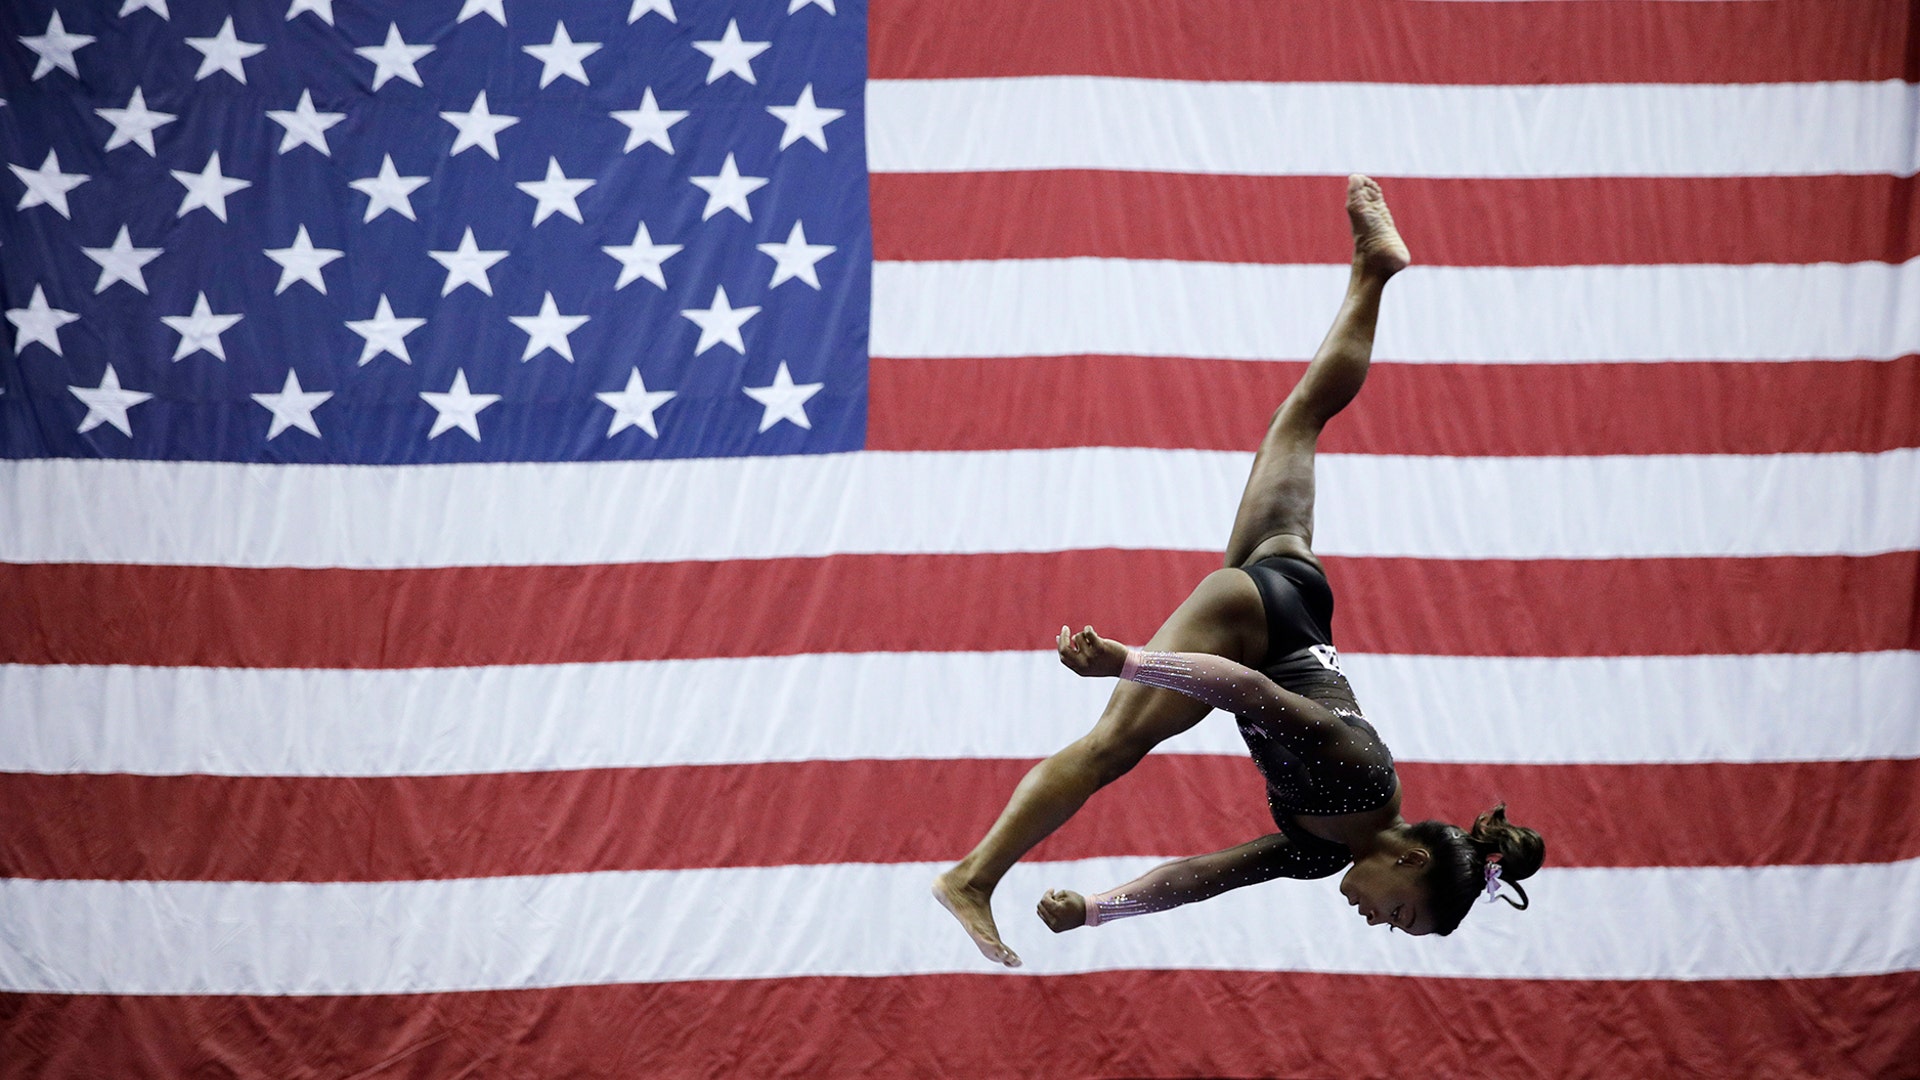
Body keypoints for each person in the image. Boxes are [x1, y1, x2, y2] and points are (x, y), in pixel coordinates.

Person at [932, 175, 1544, 965]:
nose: (1382, 923)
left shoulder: (1324, 849)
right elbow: (1251, 692)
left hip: (1294, 599)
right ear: (1412, 861)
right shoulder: (1361, 780)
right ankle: (974, 878)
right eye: (1404, 915)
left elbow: (1206, 878)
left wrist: (1097, 911)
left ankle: (1372, 272)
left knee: (1300, 421)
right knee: (1112, 745)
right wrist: (1126, 660)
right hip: (1255, 627)